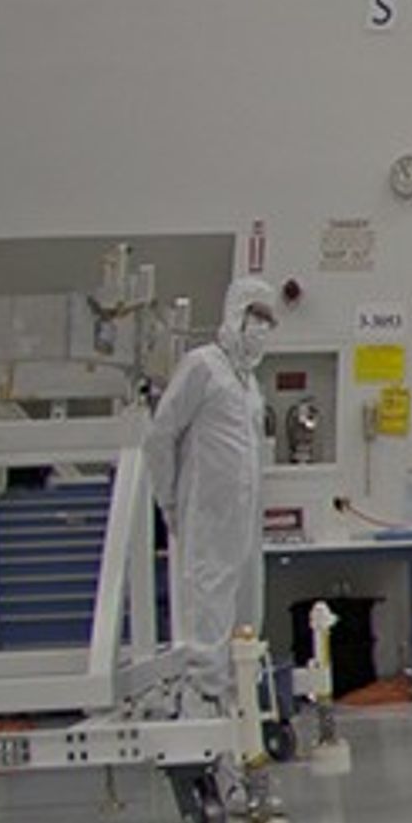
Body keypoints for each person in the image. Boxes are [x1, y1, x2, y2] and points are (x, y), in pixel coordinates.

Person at [142, 273, 279, 739]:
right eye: (255, 315)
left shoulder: (249, 385)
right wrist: (171, 502)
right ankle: (204, 722)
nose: (262, 327)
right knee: (208, 618)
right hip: (206, 519)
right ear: (234, 313)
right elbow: (161, 435)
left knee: (243, 623)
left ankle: (241, 729)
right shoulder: (203, 366)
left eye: (269, 319)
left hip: (244, 526)